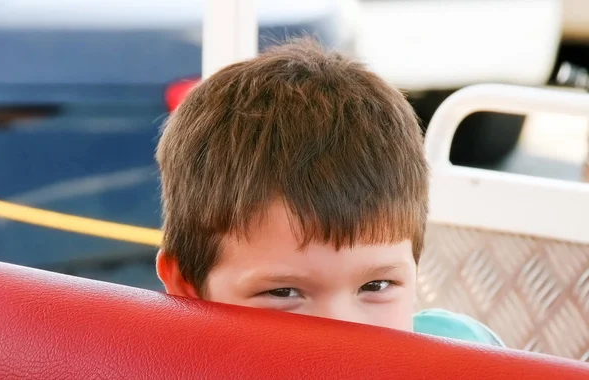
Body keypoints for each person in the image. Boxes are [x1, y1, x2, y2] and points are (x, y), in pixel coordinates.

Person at [155, 38, 504, 346]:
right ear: (187, 287)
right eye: (283, 292)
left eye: (377, 286)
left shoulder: (467, 354)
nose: (342, 332)